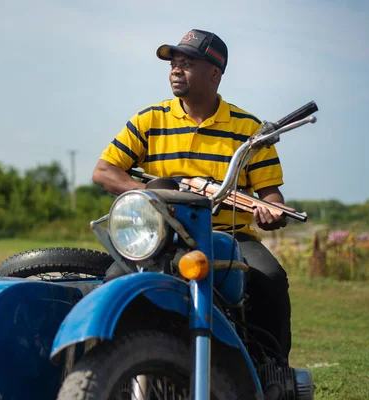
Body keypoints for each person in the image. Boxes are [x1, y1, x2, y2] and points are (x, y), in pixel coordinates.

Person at [92, 29, 293, 361]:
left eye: (186, 63)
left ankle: (272, 368)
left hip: (230, 236)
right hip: (160, 236)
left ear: (214, 73)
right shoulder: (149, 119)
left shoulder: (249, 130)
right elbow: (104, 171)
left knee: (269, 279)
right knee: (115, 281)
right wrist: (153, 195)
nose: (175, 70)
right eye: (173, 63)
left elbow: (271, 196)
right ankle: (111, 361)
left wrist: (271, 214)